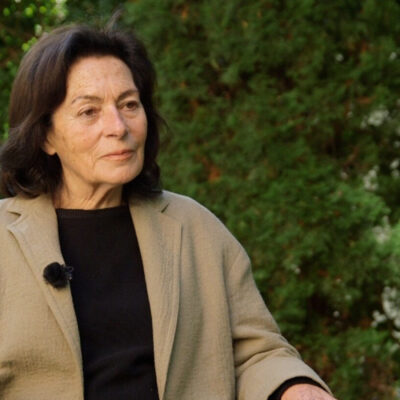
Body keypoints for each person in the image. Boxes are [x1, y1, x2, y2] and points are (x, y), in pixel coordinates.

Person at [0, 24, 337, 400]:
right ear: (46, 135)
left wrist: (295, 387)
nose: (118, 127)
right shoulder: (4, 239)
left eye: (129, 104)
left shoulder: (194, 227)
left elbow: (255, 353)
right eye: (89, 111)